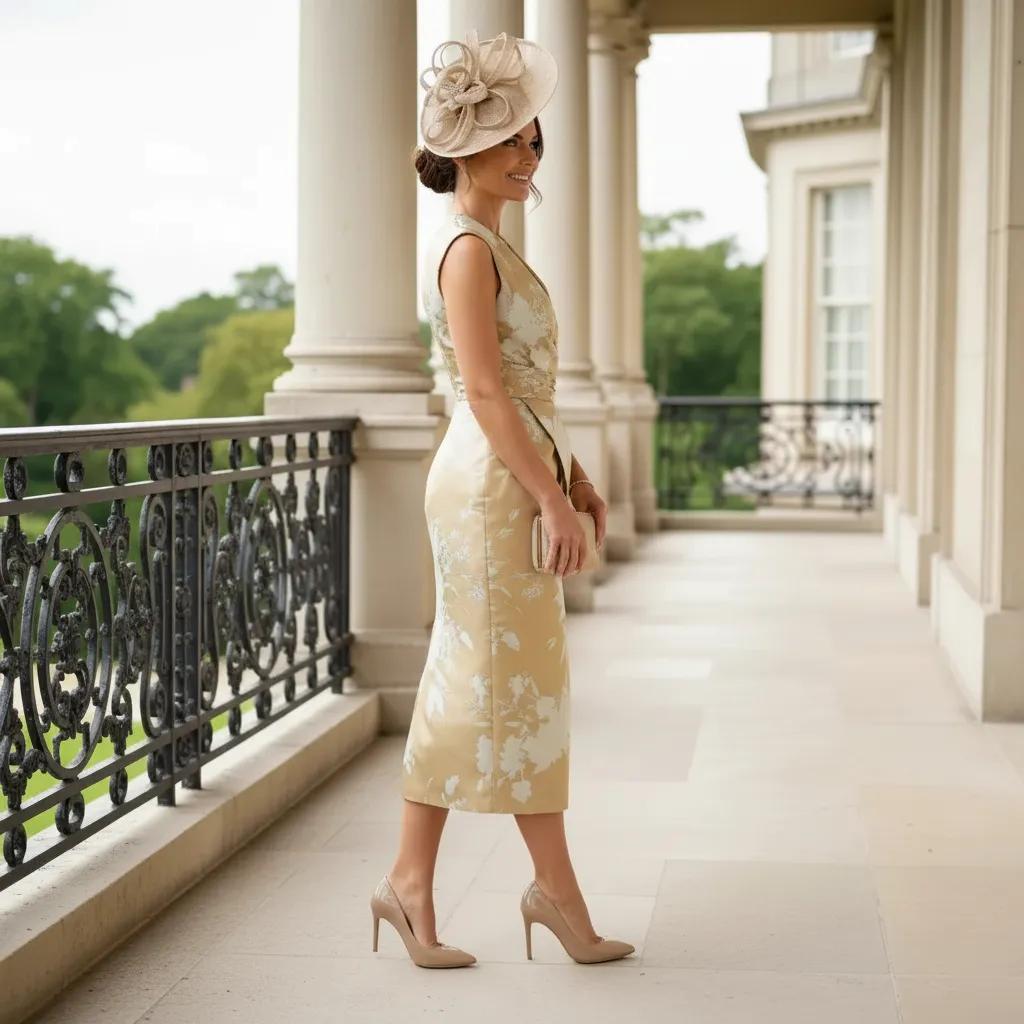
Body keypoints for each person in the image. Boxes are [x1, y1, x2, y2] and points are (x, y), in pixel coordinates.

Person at [369, 29, 635, 969]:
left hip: (511, 474)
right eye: (516, 138)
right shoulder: (467, 253)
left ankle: (439, 887)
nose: (530, 155)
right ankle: (529, 894)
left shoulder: (492, 248)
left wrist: (577, 480)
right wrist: (551, 503)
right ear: (466, 151)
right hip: (489, 487)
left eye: (535, 140)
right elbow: (482, 392)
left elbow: (524, 389)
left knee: (503, 685)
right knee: (494, 684)